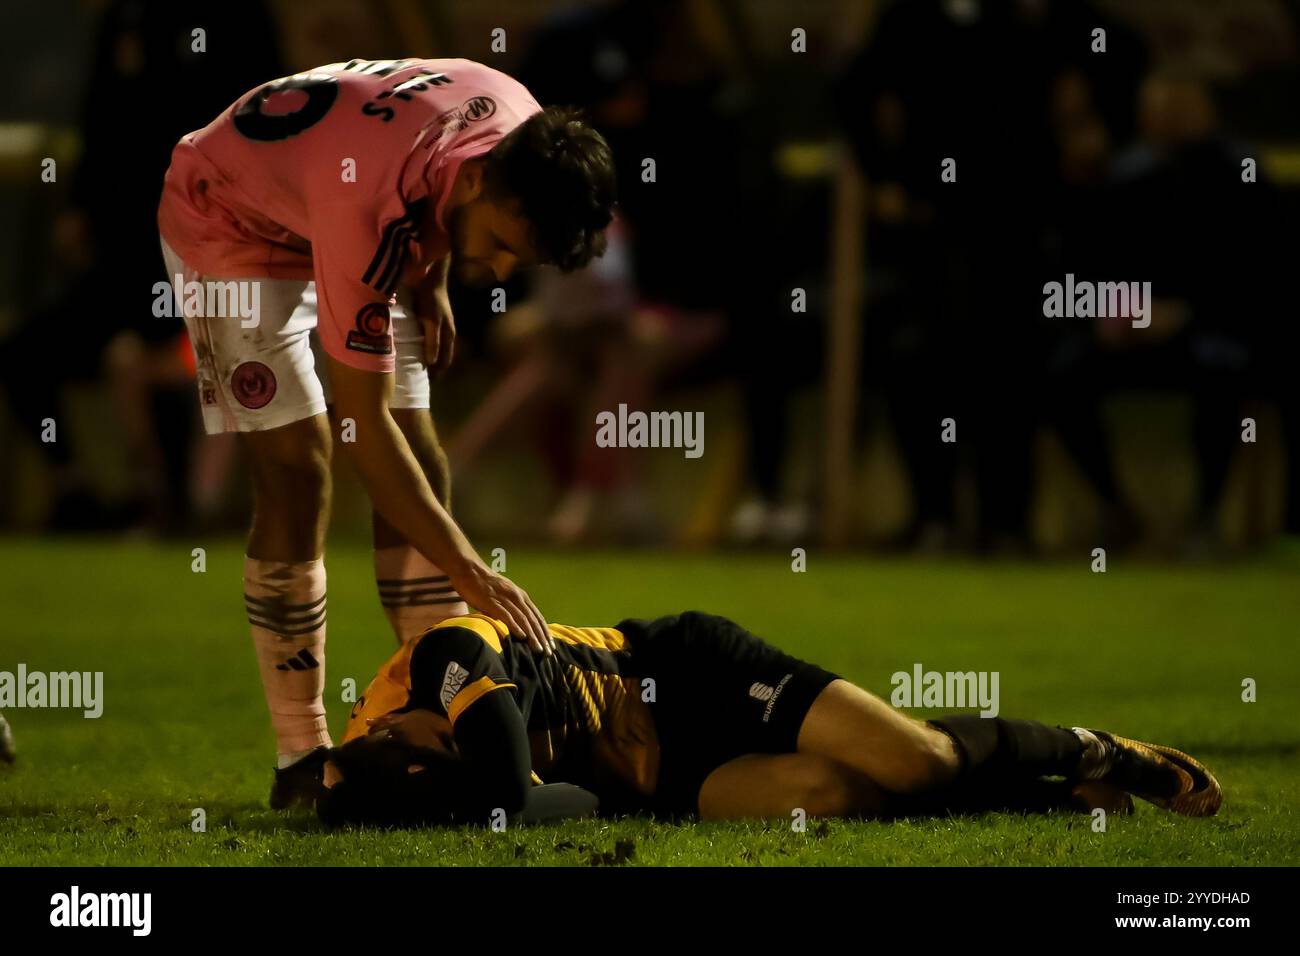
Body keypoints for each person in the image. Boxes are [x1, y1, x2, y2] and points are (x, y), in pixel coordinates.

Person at [156, 57, 617, 806]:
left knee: (424, 461)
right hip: (229, 217)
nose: (498, 272)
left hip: (353, 192)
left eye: (516, 260)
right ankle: (301, 757)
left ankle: (446, 713)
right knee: (299, 468)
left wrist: (432, 277)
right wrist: (470, 568)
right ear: (477, 185)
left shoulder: (522, 135)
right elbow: (360, 429)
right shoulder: (370, 210)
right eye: (500, 244)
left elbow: (430, 169)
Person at [318, 611, 1221, 825]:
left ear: (395, 728)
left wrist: (488, 796)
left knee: (915, 761)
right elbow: (559, 805)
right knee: (827, 792)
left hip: (685, 673)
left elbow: (514, 793)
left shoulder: (442, 661)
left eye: (442, 753)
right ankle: (1043, 801)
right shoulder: (390, 768)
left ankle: (1105, 748)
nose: (458, 755)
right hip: (657, 777)